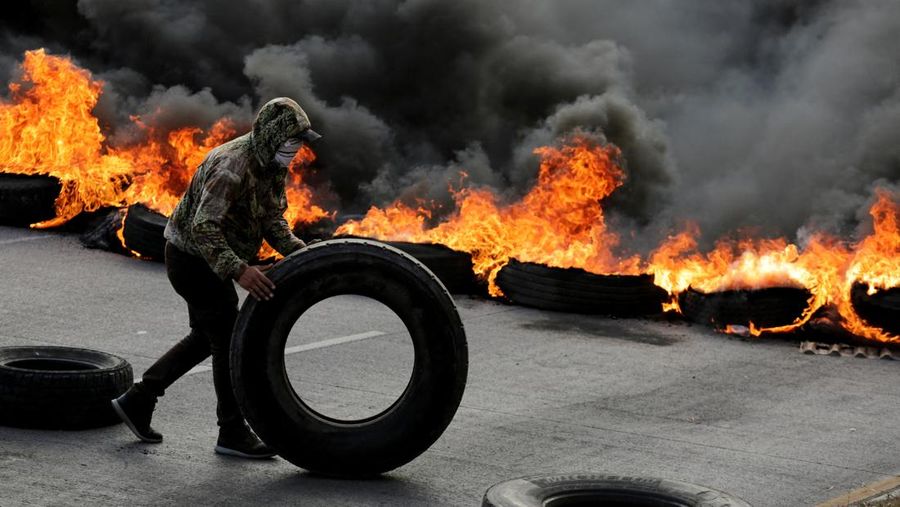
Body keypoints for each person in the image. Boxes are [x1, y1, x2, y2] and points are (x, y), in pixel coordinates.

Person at [111, 97, 322, 459]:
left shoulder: (271, 164)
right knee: (228, 338)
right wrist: (241, 270)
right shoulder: (232, 166)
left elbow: (272, 219)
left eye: (299, 143)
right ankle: (231, 432)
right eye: (291, 141)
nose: (296, 150)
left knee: (206, 335)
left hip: (211, 258)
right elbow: (204, 226)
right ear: (271, 136)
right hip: (191, 259)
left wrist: (302, 254)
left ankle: (138, 399)